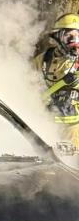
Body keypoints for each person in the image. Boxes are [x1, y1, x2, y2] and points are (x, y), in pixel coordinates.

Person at [34, 14, 79, 151]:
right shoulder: (43, 59)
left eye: (77, 36)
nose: (74, 41)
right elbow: (28, 85)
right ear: (57, 37)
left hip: (74, 131)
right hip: (45, 128)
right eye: (69, 36)